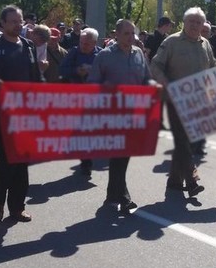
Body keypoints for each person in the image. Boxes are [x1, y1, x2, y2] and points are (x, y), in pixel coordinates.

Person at [0, 5, 41, 223]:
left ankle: (18, 207)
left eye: (20, 20)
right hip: (0, 114)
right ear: (2, 24)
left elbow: (36, 80)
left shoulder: (29, 47)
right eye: (12, 21)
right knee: (6, 159)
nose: (18, 24)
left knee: (21, 161)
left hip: (25, 114)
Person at [88, 19, 159, 214]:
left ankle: (113, 195)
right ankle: (124, 198)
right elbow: (92, 84)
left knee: (123, 156)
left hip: (134, 113)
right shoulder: (104, 56)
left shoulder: (138, 54)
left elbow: (146, 78)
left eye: (132, 33)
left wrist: (153, 87)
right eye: (126, 33)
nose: (130, 37)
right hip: (113, 113)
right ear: (116, 35)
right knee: (119, 154)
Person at [150, 7, 216, 198]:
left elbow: (212, 67)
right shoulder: (171, 42)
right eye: (191, 22)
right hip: (175, 98)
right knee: (182, 140)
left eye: (198, 22)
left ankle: (174, 181)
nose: (195, 25)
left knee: (187, 140)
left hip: (198, 100)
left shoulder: (205, 44)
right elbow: (155, 65)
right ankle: (192, 179)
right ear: (184, 23)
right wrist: (166, 84)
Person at [60, 27, 102, 176]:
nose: (83, 46)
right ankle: (86, 162)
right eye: (82, 42)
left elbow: (107, 73)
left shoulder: (101, 54)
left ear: (95, 43)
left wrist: (92, 70)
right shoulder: (74, 53)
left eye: (87, 43)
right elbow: (62, 70)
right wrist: (77, 71)